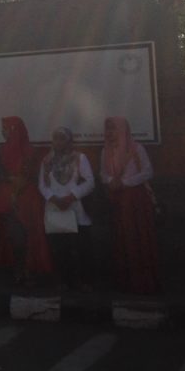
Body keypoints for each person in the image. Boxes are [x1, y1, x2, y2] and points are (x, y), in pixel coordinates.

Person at [100, 116, 159, 294]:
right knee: (121, 239)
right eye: (107, 129)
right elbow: (102, 173)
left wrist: (125, 182)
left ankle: (144, 282)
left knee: (139, 237)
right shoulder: (106, 151)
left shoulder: (136, 148)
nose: (110, 133)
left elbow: (148, 171)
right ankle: (125, 282)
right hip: (117, 199)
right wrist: (111, 181)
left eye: (113, 129)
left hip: (136, 200)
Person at [0, 116, 52, 285]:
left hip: (27, 198)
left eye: (6, 128)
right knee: (13, 233)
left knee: (29, 233)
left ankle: (29, 269)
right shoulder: (0, 151)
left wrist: (18, 184)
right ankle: (17, 267)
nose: (3, 132)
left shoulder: (29, 151)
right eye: (2, 128)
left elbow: (31, 175)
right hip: (7, 196)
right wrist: (10, 181)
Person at [38, 127, 95, 291]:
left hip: (75, 208)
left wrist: (71, 196)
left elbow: (90, 182)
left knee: (80, 247)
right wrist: (54, 199)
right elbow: (41, 185)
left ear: (69, 140)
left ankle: (83, 281)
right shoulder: (47, 160)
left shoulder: (79, 158)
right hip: (55, 208)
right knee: (59, 248)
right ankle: (63, 281)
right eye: (55, 139)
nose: (58, 142)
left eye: (62, 138)